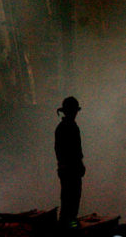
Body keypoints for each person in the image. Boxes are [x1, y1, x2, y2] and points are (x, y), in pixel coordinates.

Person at [55, 96, 86, 230]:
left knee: (69, 203)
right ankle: (69, 228)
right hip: (71, 171)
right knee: (71, 204)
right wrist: (77, 165)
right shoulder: (69, 127)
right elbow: (72, 151)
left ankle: (68, 227)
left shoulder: (64, 127)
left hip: (68, 170)